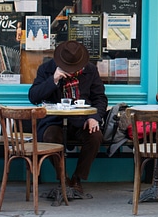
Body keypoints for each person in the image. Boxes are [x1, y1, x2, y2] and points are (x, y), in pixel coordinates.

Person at [28, 40, 108, 195]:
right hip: (55, 120)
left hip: (81, 120)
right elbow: (33, 97)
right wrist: (53, 80)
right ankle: (63, 179)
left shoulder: (90, 70)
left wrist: (95, 117)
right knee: (49, 137)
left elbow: (100, 98)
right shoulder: (46, 69)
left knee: (95, 137)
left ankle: (77, 178)